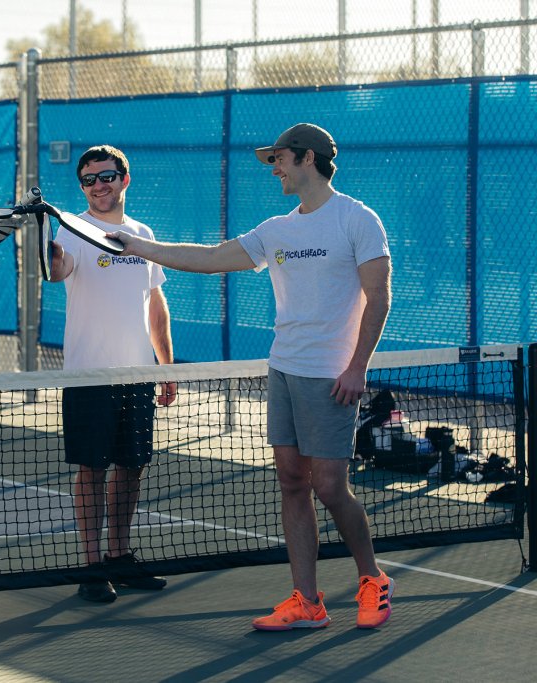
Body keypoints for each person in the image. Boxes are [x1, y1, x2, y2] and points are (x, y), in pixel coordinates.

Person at [108, 123, 394, 630]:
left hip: (331, 377)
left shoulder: (358, 219)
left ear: (307, 158)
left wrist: (357, 367)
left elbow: (379, 297)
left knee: (330, 487)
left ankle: (372, 578)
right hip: (282, 370)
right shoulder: (277, 229)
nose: (274, 168)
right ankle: (307, 601)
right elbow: (210, 259)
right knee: (291, 483)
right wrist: (137, 246)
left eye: (278, 158)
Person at [47, 144, 177, 604]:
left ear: (124, 178)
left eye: (106, 176)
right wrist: (48, 242)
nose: (98, 186)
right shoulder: (75, 231)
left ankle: (120, 556)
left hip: (137, 374)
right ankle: (92, 565)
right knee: (92, 470)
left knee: (132, 468)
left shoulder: (143, 233)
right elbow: (56, 271)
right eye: (88, 180)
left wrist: (166, 364)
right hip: (89, 375)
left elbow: (155, 303)